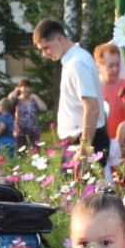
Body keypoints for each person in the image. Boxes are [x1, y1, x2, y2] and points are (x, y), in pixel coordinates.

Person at [32, 18, 105, 168]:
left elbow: (92, 108)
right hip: (81, 141)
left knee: (92, 191)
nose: (45, 54)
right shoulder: (74, 60)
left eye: (46, 48)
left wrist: (84, 150)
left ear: (59, 38)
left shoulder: (77, 62)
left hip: (85, 142)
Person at [96, 41, 125, 165]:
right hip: (107, 149)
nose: (115, 69)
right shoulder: (95, 91)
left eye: (118, 64)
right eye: (111, 66)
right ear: (99, 65)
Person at [5, 80, 47, 151]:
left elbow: (44, 108)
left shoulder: (34, 100)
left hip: (34, 130)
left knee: (35, 152)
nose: (27, 90)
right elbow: (10, 99)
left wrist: (37, 98)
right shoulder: (17, 100)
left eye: (29, 87)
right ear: (20, 88)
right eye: (24, 87)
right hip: (20, 131)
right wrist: (16, 90)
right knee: (21, 152)